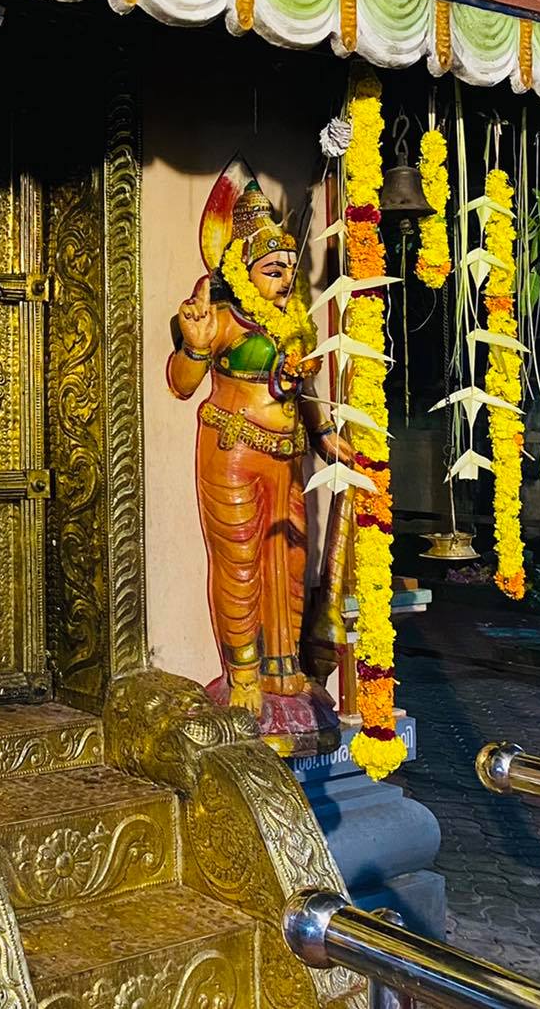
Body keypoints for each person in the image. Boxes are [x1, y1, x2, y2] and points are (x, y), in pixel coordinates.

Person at [167, 166, 350, 719]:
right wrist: (197, 348)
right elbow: (179, 384)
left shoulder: (293, 324)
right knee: (241, 562)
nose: (286, 278)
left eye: (290, 269)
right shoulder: (220, 319)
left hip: (287, 455)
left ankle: (283, 666)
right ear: (244, 270)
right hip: (233, 453)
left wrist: (322, 434)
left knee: (290, 561)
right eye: (273, 269)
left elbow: (305, 386)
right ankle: (243, 670)